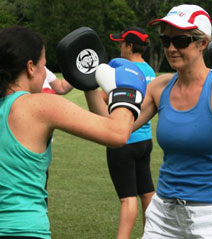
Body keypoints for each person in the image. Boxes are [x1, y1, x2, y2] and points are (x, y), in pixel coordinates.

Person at [0, 25, 146, 239]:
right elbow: (117, 134)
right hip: (24, 229)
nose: (44, 73)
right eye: (44, 66)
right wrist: (127, 91)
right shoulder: (39, 105)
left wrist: (88, 82)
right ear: (30, 67)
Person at [85, 3, 212, 239]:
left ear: (203, 43)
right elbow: (113, 130)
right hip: (163, 214)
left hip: (209, 216)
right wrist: (88, 85)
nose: (172, 48)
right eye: (166, 41)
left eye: (181, 41)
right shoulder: (159, 87)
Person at [101, 26, 156, 239]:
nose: (120, 48)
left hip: (123, 140)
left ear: (130, 45)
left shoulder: (119, 72)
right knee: (147, 192)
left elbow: (101, 102)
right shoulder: (150, 71)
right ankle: (150, 234)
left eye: (121, 44)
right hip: (145, 141)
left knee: (127, 198)